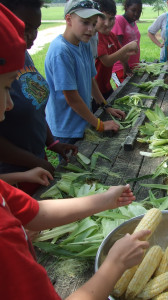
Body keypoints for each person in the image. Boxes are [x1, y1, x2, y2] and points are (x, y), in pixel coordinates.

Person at [0, 8, 150, 299]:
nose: (9, 103)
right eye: (6, 88)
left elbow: (36, 211)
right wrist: (114, 264)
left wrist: (104, 200)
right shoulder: (4, 237)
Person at [0, 0, 78, 195]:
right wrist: (34, 161)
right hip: (14, 175)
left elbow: (34, 106)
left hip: (35, 165)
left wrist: (52, 143)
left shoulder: (23, 55)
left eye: (36, 28)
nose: (32, 36)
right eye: (25, 28)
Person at [45, 0, 125, 149]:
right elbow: (72, 98)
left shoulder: (85, 44)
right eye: (85, 22)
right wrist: (100, 125)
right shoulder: (61, 51)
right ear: (69, 19)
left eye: (94, 24)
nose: (90, 29)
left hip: (83, 120)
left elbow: (91, 79)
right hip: (66, 129)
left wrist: (106, 106)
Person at [92, 0, 139, 113]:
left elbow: (123, 57)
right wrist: (127, 48)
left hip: (106, 87)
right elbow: (106, 61)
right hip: (94, 92)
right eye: (103, 18)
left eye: (111, 18)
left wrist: (126, 66)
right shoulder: (96, 37)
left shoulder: (111, 36)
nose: (107, 23)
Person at [111, 0, 142, 86]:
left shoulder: (133, 22)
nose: (136, 14)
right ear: (126, 8)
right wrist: (126, 66)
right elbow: (118, 46)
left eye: (139, 11)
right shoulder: (119, 20)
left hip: (134, 66)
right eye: (133, 10)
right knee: (125, 93)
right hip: (122, 67)